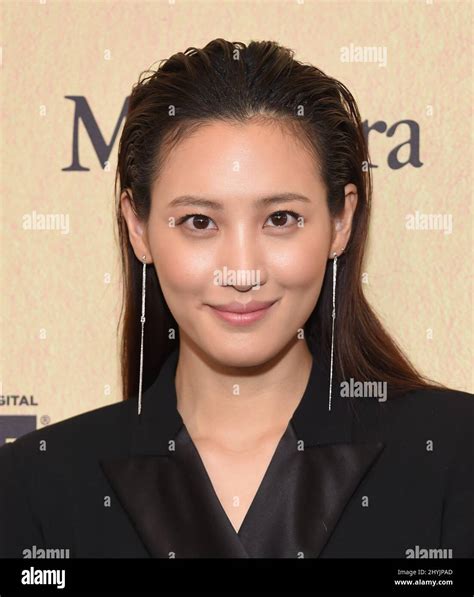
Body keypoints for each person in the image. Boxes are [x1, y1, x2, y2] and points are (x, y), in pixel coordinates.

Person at [0, 38, 472, 559]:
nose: (242, 270)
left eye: (281, 219)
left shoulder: (455, 455)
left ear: (341, 222)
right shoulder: (34, 488)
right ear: (138, 227)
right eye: (199, 222)